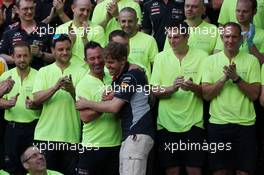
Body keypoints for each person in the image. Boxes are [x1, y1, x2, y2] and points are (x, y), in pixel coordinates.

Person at [76, 42, 154, 175]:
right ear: (85, 61)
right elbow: (86, 117)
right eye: (107, 62)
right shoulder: (119, 77)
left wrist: (88, 103)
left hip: (135, 135)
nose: (107, 65)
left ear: (123, 60)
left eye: (110, 62)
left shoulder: (130, 76)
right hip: (117, 139)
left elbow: (114, 107)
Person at [202, 22, 260, 175]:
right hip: (218, 124)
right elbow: (206, 95)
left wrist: (236, 79)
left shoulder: (252, 61)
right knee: (220, 172)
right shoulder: (210, 61)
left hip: (245, 125)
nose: (230, 40)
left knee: (244, 172)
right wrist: (223, 79)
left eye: (234, 36)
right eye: (227, 36)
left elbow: (255, 94)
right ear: (221, 38)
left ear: (241, 39)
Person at [150, 22, 208, 175]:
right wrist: (171, 88)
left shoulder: (202, 56)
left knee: (194, 168)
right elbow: (154, 90)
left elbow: (208, 92)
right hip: (166, 122)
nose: (172, 41)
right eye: (169, 37)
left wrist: (193, 87)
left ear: (187, 37)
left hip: (194, 122)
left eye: (176, 37)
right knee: (172, 170)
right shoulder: (160, 57)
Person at [31, 34, 86, 175]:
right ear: (53, 51)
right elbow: (36, 99)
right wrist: (55, 87)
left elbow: (85, 103)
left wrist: (72, 91)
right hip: (45, 135)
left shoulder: (82, 70)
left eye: (68, 49)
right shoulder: (44, 71)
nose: (65, 52)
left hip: (71, 136)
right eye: (60, 49)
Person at [76, 41, 121, 175]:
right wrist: (108, 103)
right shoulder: (83, 84)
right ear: (85, 61)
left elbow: (119, 108)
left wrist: (91, 104)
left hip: (116, 144)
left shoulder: (114, 77)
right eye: (92, 58)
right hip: (92, 146)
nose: (97, 61)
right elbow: (85, 117)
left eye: (99, 57)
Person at [0, 42, 40, 174]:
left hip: (34, 129)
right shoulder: (6, 76)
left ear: (30, 57)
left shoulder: (39, 75)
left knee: (34, 167)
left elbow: (46, 102)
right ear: (13, 57)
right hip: (12, 130)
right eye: (19, 56)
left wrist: (35, 105)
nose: (22, 59)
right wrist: (6, 104)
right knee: (12, 168)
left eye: (25, 56)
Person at [0, 0, 54, 69]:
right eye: (25, 9)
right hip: (16, 77)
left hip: (40, 76)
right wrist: (18, 59)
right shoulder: (10, 30)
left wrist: (40, 54)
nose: (29, 12)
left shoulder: (47, 29)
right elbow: (1, 55)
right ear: (16, 10)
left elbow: (56, 56)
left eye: (31, 8)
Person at [55, 0, 105, 68]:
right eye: (82, 10)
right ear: (73, 8)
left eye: (88, 10)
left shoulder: (98, 29)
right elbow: (58, 57)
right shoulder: (61, 29)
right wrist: (71, 42)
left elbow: (98, 57)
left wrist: (84, 38)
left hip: (90, 71)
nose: (85, 13)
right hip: (69, 70)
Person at [118, 7, 158, 80]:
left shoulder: (149, 40)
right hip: (120, 87)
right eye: (123, 21)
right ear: (118, 21)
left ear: (136, 21)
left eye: (130, 21)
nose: (126, 25)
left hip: (143, 86)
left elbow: (157, 67)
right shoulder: (115, 40)